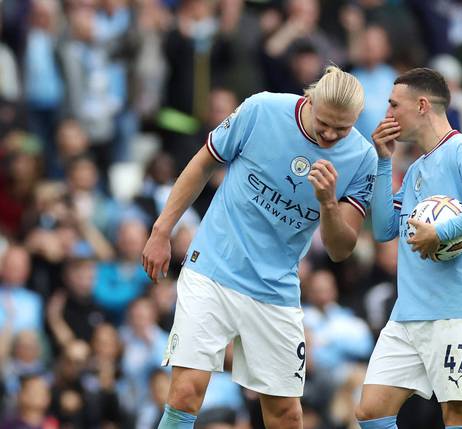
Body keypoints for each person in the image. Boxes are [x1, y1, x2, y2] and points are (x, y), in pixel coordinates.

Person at [142, 66, 377, 429]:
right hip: (213, 269)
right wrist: (161, 230)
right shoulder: (262, 110)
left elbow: (340, 249)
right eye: (325, 123)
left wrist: (329, 203)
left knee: (286, 414)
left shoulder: (362, 159)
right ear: (309, 100)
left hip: (275, 289)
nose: (330, 134)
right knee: (187, 391)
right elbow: (204, 162)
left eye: (342, 128)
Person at [355, 68, 462, 429]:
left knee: (458, 416)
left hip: (457, 311)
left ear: (422, 105)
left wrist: (442, 232)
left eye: (394, 105)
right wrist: (383, 159)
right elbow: (383, 230)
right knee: (371, 411)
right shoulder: (414, 170)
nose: (388, 114)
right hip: (409, 313)